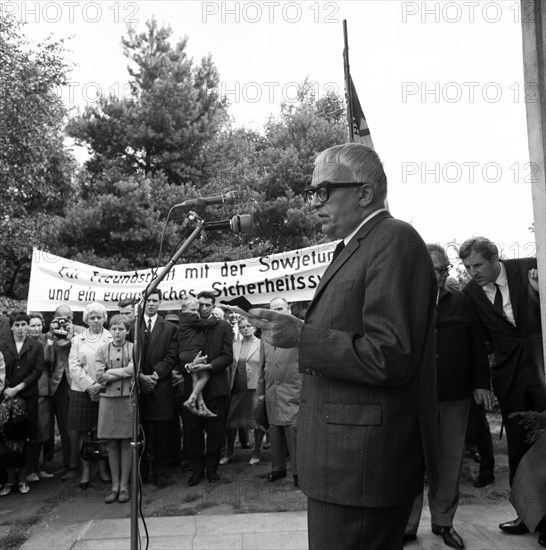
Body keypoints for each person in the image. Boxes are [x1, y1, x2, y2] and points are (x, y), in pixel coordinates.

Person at [250, 143, 439, 550]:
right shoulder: (357, 246)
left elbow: (390, 356)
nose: (315, 203)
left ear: (364, 193)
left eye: (323, 191)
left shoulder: (395, 240)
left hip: (361, 467)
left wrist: (302, 337)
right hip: (343, 464)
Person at [404, 244, 494, 549]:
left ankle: (444, 522)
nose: (444, 274)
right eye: (437, 269)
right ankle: (407, 525)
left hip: (456, 395)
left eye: (445, 269)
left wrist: (482, 382)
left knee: (450, 461)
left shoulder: (463, 301)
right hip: (414, 398)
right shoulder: (405, 302)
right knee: (412, 462)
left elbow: (477, 345)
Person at [459, 236, 546, 545]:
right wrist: (481, 382)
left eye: (478, 265)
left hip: (542, 369)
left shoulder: (531, 269)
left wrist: (540, 291)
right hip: (509, 379)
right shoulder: (469, 294)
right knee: (519, 448)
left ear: (495, 258)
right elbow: (476, 343)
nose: (472, 272)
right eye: (467, 267)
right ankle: (528, 515)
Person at [184, 291, 233, 486]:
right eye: (201, 305)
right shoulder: (189, 326)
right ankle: (197, 470)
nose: (204, 308)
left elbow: (228, 356)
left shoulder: (224, 326)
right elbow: (181, 354)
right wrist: (189, 366)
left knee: (215, 431)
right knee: (193, 431)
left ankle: (212, 469)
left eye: (208, 305)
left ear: (213, 306)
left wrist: (210, 366)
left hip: (216, 387)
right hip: (192, 387)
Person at [256, 297, 302, 485]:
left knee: (294, 434)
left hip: (293, 391)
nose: (278, 312)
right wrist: (260, 392)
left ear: (289, 308)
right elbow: (262, 366)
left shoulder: (299, 331)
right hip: (271, 391)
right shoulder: (266, 336)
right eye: (274, 309)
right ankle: (278, 469)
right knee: (274, 432)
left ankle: (299, 474)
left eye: (281, 308)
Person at [67, 302, 112, 489]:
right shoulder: (78, 339)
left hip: (105, 389)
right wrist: (90, 386)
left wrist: (100, 385)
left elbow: (113, 365)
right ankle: (85, 472)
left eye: (99, 317)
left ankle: (102, 470)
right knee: (84, 433)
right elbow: (74, 366)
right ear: (86, 320)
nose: (95, 321)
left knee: (102, 432)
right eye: (92, 317)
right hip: (82, 391)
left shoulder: (110, 337)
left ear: (104, 319)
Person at [0, 312, 44, 495]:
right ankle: (10, 479)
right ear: (11, 327)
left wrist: (17, 388)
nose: (20, 328)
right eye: (17, 325)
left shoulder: (36, 346)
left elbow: (37, 372)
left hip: (28, 395)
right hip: (6, 396)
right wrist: (8, 390)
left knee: (27, 436)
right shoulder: (3, 346)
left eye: (23, 324)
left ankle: (23, 477)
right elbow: (2, 371)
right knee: (7, 437)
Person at [138, 289, 178, 488]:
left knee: (161, 435)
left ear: (160, 302)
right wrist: (140, 377)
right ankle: (142, 472)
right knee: (140, 433)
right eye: (148, 300)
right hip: (138, 388)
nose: (151, 304)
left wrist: (154, 376)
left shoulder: (170, 328)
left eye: (155, 300)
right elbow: (130, 354)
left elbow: (171, 356)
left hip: (160, 387)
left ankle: (160, 473)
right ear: (143, 302)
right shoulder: (133, 327)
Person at [96, 315, 134, 504]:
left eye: (121, 329)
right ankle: (114, 486)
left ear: (127, 330)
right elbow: (99, 377)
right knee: (111, 443)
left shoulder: (133, 348)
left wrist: (111, 372)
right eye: (114, 328)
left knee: (127, 442)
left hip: (127, 399)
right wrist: (119, 373)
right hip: (108, 400)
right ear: (110, 330)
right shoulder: (102, 349)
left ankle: (125, 486)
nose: (117, 332)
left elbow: (134, 370)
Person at [43, 304, 82, 479]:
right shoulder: (48, 334)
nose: (65, 321)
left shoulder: (81, 331)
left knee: (76, 424)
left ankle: (80, 462)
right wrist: (51, 335)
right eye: (61, 318)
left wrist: (71, 333)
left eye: (69, 318)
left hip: (76, 381)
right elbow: (47, 357)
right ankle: (67, 462)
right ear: (54, 318)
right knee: (63, 425)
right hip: (57, 383)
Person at [220, 318, 261, 465]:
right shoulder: (234, 345)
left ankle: (257, 453)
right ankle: (229, 451)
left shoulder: (262, 345)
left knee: (257, 422)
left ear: (255, 327)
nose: (245, 329)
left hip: (255, 389)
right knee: (231, 421)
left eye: (249, 326)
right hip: (236, 389)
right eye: (242, 327)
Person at [26, 313, 55, 482]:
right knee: (33, 433)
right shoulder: (26, 345)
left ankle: (38, 468)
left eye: (38, 325)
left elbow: (50, 359)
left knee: (43, 432)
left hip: (44, 393)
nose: (36, 328)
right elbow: (43, 359)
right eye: (33, 325)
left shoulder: (45, 340)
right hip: (31, 392)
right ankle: (29, 470)